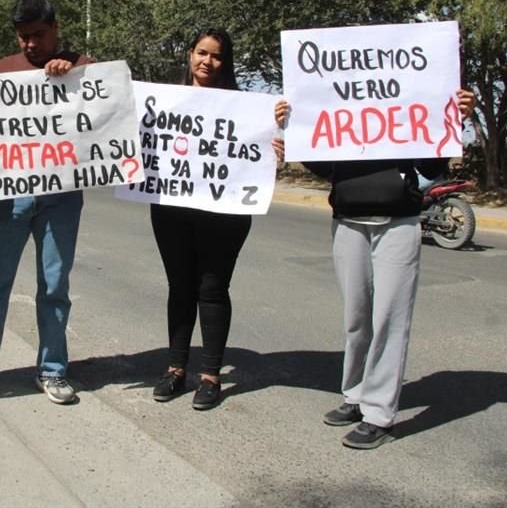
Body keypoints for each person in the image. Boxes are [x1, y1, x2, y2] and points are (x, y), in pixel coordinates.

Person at [274, 88, 476, 448]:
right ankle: (355, 395)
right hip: (348, 219)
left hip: (398, 221)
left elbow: (431, 166)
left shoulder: (405, 108)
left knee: (389, 319)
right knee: (357, 317)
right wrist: (295, 131)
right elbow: (327, 169)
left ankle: (379, 414)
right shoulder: (339, 111)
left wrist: (453, 119)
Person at [0, 0, 92, 405]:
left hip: (61, 197)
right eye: (23, 36)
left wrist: (71, 76)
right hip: (9, 198)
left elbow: (102, 121)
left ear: (56, 28)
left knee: (55, 285)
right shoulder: (1, 72)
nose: (31, 43)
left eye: (39, 35)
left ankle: (53, 370)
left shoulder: (83, 68)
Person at [149, 28, 255, 411]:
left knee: (212, 289)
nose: (207, 61)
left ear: (226, 62)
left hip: (224, 212)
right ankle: (176, 368)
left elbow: (260, 150)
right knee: (179, 286)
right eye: (201, 52)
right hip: (171, 207)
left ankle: (210, 375)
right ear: (190, 54)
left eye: (217, 55)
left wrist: (276, 133)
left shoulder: (246, 108)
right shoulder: (164, 102)